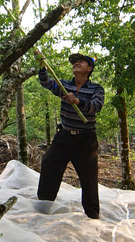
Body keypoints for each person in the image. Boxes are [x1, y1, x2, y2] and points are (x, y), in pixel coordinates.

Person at [36, 52, 105, 219]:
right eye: (74, 62)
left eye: (81, 62)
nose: (76, 63)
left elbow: (96, 106)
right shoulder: (65, 85)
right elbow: (46, 82)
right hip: (64, 136)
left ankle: (92, 214)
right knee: (48, 163)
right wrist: (41, 65)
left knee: (88, 177)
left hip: (85, 140)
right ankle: (44, 206)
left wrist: (78, 101)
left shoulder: (96, 88)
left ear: (89, 68)